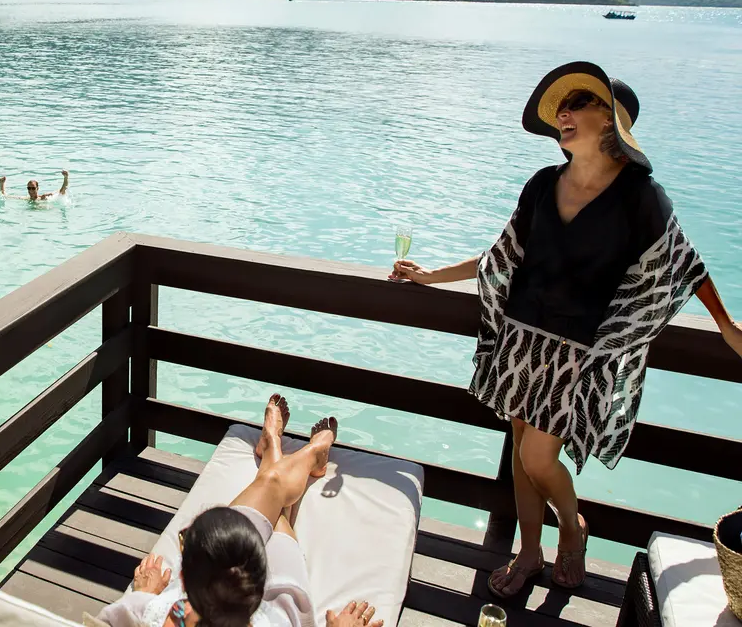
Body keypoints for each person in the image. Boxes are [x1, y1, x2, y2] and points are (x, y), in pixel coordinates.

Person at [392, 61, 742, 597]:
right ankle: (529, 553)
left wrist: (725, 324)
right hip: (519, 338)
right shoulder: (541, 185)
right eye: (563, 106)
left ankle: (573, 529)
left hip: (577, 353)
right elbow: (503, 254)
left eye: (580, 103)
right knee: (519, 449)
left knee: (538, 457)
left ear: (612, 124)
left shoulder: (640, 197)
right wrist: (431, 276)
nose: (565, 113)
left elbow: (684, 265)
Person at [98, 394, 383, 627]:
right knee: (276, 509)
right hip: (281, 608)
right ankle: (303, 454)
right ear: (261, 585)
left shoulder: (157, 615)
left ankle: (276, 452)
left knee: (268, 496)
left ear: (182, 579)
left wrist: (143, 597)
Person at [0, 170, 69, 201]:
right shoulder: (25, 199)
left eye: (33, 188)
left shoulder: (44, 198)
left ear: (37, 188)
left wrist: (65, 177)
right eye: (29, 188)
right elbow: (5, 196)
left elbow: (61, 192)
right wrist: (2, 184)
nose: (31, 190)